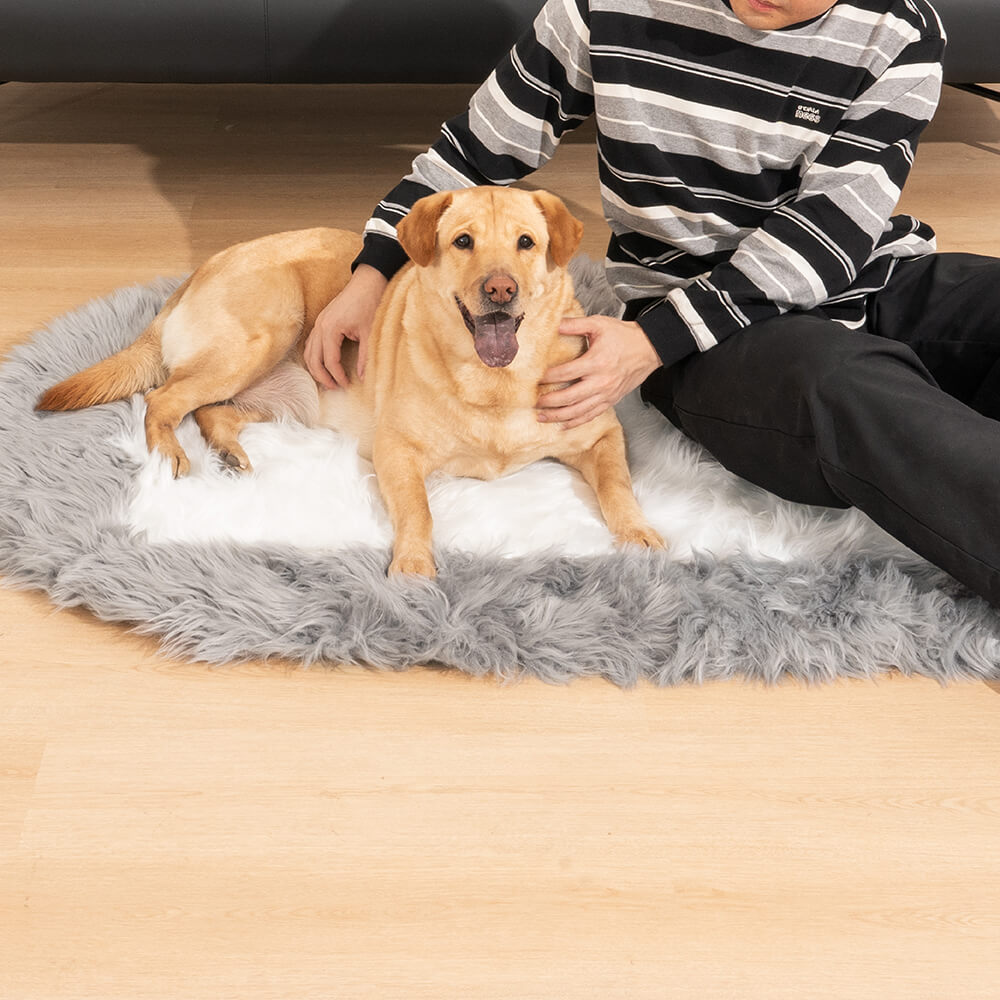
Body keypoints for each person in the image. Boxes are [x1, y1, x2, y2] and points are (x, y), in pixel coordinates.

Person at [305, 0, 1000, 607]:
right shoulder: (602, 6)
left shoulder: (899, 28)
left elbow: (827, 236)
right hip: (694, 326)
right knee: (853, 387)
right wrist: (369, 278)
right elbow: (467, 159)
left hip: (863, 274)